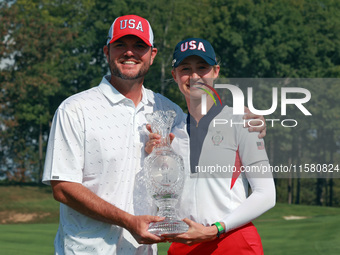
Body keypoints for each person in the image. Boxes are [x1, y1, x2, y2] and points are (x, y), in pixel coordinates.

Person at [42, 14, 187, 255]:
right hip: (86, 250)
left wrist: (242, 119)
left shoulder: (169, 110)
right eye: (121, 45)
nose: (129, 53)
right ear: (107, 51)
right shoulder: (75, 109)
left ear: (152, 55)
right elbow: (63, 187)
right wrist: (128, 221)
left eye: (139, 46)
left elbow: (204, 143)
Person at [146, 38, 276, 255]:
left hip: (232, 240)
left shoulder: (242, 121)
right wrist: (151, 157)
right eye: (185, 69)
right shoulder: (171, 132)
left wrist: (216, 229)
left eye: (202, 68)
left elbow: (266, 194)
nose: (195, 76)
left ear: (215, 71)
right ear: (174, 75)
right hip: (184, 244)